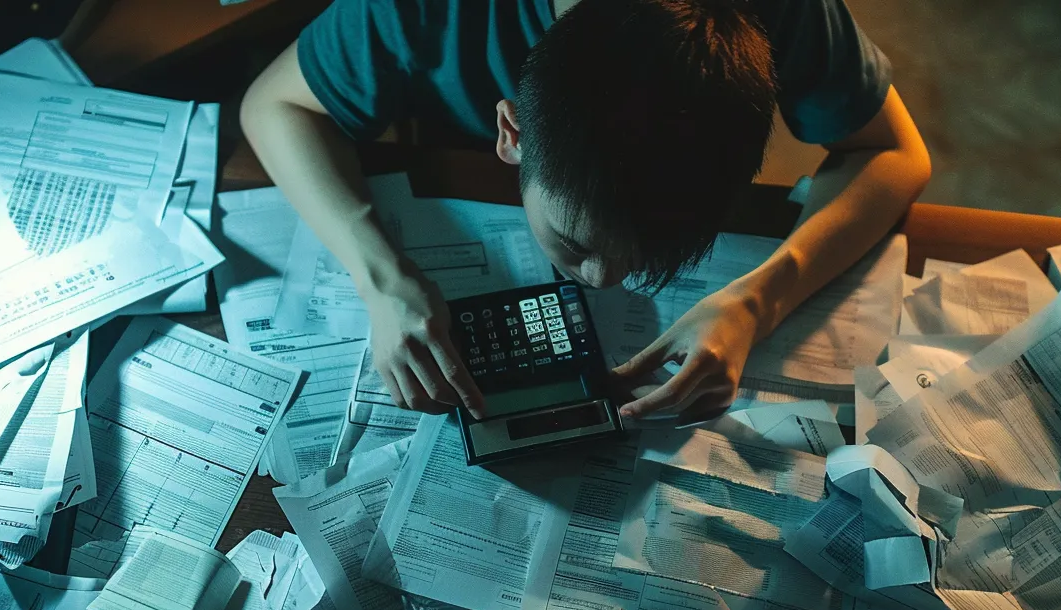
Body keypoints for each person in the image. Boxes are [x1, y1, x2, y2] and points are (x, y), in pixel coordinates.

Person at [240, 0, 930, 423]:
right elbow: (274, 105)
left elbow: (895, 153)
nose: (603, 280)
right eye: (573, 243)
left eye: (649, 251)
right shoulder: (423, 7)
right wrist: (379, 278)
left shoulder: (770, 12)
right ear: (511, 134)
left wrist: (758, 300)